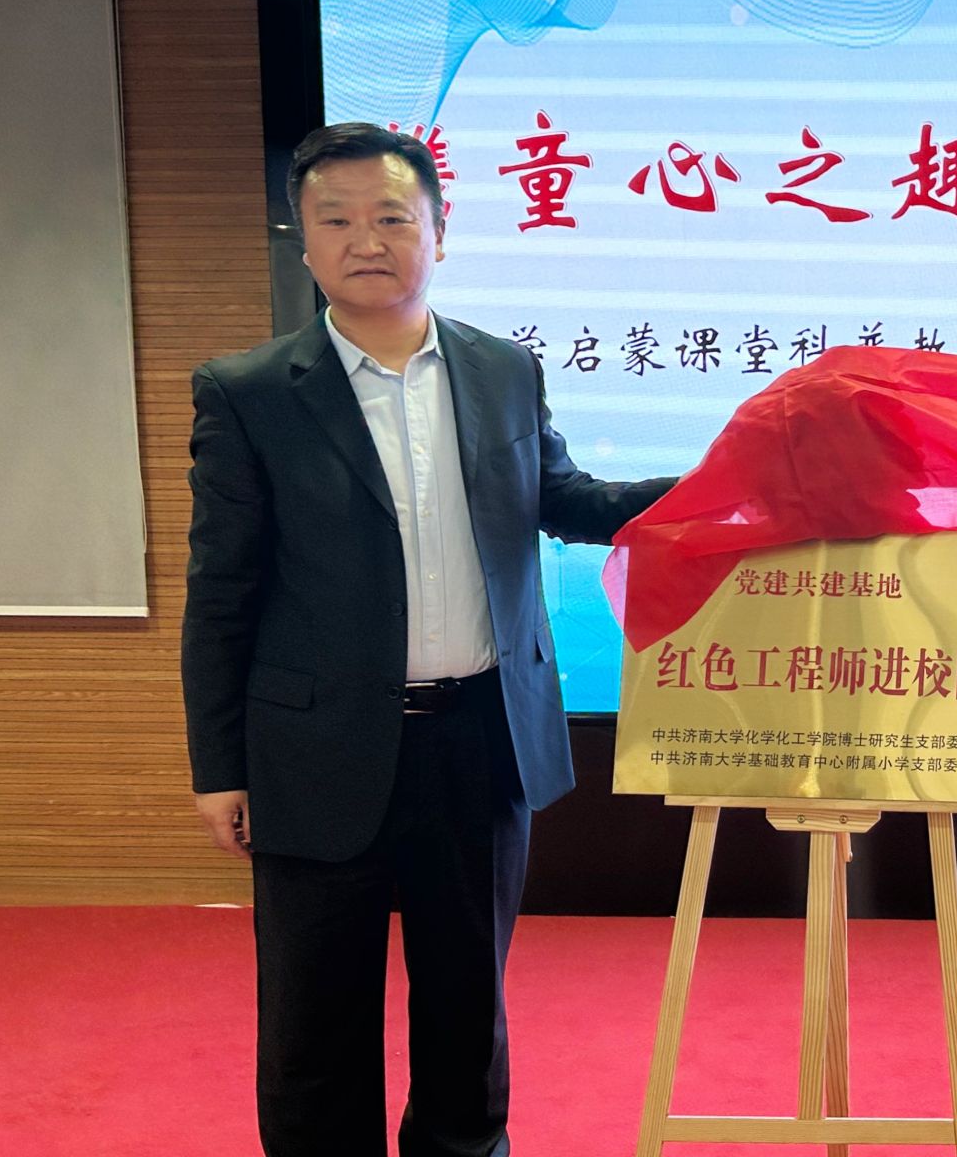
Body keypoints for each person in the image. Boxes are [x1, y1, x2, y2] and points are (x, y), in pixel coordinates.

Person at [180, 123, 674, 1157]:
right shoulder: (250, 393)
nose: (367, 240)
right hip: (315, 751)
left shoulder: (502, 369)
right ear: (303, 240)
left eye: (393, 217)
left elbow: (567, 499)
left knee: (465, 1009)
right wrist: (219, 767)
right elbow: (222, 592)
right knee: (315, 1022)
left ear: (438, 233)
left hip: (478, 743)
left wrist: (716, 487)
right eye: (337, 219)